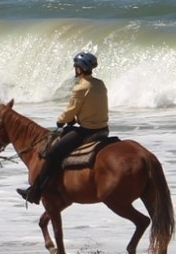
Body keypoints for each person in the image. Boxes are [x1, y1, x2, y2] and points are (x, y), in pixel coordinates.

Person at [19, 50, 110, 204]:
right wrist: (76, 118)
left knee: (53, 153)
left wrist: (61, 121)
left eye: (76, 67)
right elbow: (91, 107)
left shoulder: (80, 88)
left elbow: (70, 110)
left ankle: (36, 191)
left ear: (80, 68)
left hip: (86, 131)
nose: (75, 69)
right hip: (103, 129)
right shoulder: (100, 84)